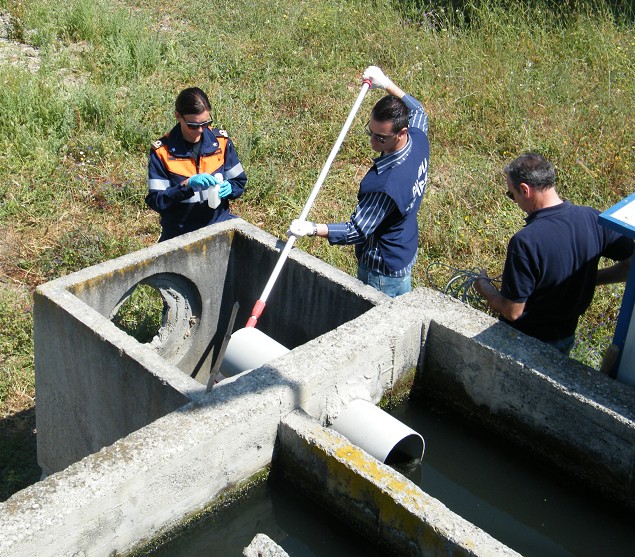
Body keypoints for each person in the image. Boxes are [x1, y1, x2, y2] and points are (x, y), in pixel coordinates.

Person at [287, 66, 429, 297]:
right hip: (405, 245)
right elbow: (419, 109)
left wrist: (312, 229)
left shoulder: (386, 186)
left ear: (402, 132)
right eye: (370, 132)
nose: (373, 142)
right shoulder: (419, 138)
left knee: (381, 325)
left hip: (382, 268)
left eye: (381, 138)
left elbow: (357, 231)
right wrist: (386, 83)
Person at [474, 152, 633, 355]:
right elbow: (630, 266)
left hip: (524, 345)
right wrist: (588, 278)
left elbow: (513, 312)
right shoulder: (594, 218)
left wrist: (485, 287)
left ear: (524, 189)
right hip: (565, 338)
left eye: (511, 194)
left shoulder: (525, 242)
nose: (514, 201)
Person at [146, 87, 247, 241]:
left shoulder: (221, 142)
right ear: (178, 116)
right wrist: (185, 187)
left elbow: (239, 181)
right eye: (193, 125)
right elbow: (157, 201)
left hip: (218, 224)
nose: (200, 130)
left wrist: (231, 187)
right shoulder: (162, 152)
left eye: (206, 123)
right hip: (180, 232)